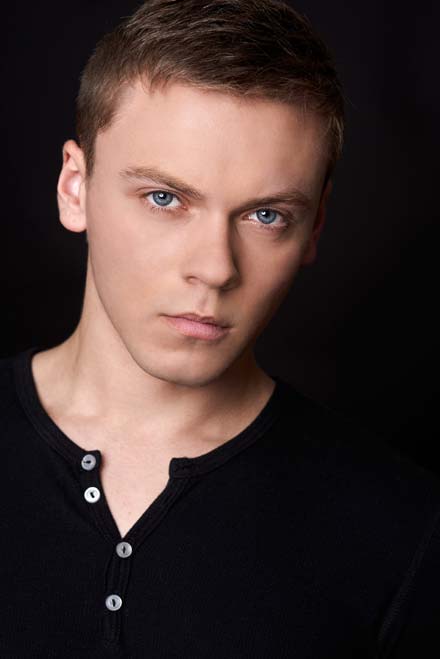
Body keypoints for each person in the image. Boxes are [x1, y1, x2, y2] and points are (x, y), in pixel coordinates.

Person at [1, 0, 439, 656]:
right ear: (74, 187)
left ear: (313, 228)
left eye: (265, 215)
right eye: (165, 198)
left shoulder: (403, 528)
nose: (214, 268)